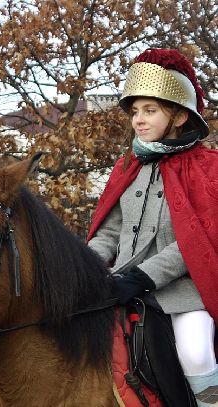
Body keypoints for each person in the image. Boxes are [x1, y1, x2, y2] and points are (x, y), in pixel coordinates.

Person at [87, 48, 218, 406]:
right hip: (119, 282)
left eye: (150, 110)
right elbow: (109, 232)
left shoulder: (208, 167)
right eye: (134, 112)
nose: (138, 120)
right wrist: (87, 265)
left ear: (177, 116)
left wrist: (143, 277)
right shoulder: (128, 165)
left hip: (183, 290)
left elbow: (199, 240)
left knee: (195, 351)